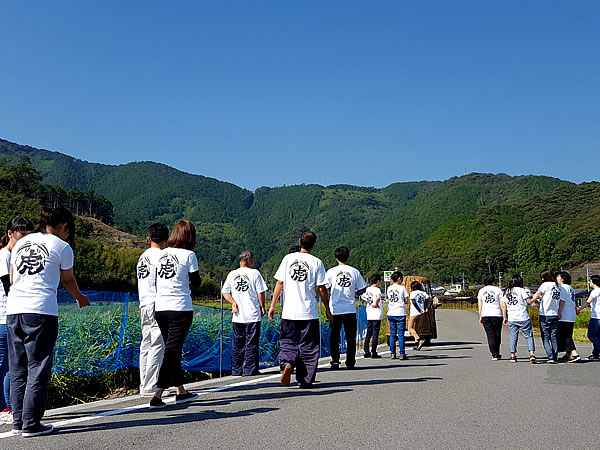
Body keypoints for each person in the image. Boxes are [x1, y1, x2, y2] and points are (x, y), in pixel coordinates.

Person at [7, 207, 90, 437]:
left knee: (18, 368)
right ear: (64, 227)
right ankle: (32, 424)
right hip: (41, 311)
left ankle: (18, 421)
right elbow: (67, 280)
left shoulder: (23, 242)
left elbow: (13, 278)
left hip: (14, 310)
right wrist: (80, 297)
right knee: (38, 367)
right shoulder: (62, 247)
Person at [268, 231, 331, 389]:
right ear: (313, 245)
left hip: (289, 311)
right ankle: (305, 380)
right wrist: (328, 310)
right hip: (308, 312)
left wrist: (272, 305)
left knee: (288, 341)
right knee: (308, 346)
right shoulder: (316, 262)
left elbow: (280, 283)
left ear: (299, 241)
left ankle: (288, 362)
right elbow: (322, 288)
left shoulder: (288, 259)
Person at [150, 220, 201, 409]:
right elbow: (196, 283)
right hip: (180, 308)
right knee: (172, 351)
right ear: (190, 237)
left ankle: (181, 391)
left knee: (173, 349)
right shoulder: (189, 255)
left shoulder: (162, 255)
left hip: (161, 308)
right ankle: (158, 394)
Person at [0, 217, 34, 426]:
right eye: (22, 233)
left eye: (29, 233)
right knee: (7, 366)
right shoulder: (4, 255)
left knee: (13, 365)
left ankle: (12, 407)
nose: (25, 237)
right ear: (11, 233)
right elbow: (8, 285)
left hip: (12, 315)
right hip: (4, 316)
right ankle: (7, 408)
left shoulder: (17, 255)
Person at [222, 250, 267, 376]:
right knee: (251, 343)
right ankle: (250, 369)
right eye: (252, 260)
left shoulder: (232, 274)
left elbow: (225, 292)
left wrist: (233, 302)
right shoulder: (254, 273)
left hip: (237, 316)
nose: (253, 262)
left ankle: (236, 369)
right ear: (248, 260)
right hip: (252, 314)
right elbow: (261, 292)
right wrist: (262, 306)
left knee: (237, 344)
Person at [137, 223, 168, 397]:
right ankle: (151, 385)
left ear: (148, 238)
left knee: (146, 344)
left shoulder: (142, 257)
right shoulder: (163, 257)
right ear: (166, 240)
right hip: (158, 303)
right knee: (157, 344)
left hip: (144, 302)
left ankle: (145, 383)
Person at [325, 247, 367, 369]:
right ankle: (350, 361)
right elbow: (362, 288)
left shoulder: (331, 272)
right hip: (350, 309)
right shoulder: (354, 271)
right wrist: (355, 294)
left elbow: (325, 288)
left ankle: (335, 360)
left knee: (334, 336)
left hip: (335, 309)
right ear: (347, 257)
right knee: (350, 337)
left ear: (336, 258)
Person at [500, 274, 537, 364]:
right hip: (523, 316)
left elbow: (503, 305)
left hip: (512, 317)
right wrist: (535, 296)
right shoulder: (521, 290)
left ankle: (513, 355)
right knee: (528, 336)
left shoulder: (506, 291)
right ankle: (531, 354)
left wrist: (505, 317)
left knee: (513, 337)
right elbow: (529, 302)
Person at [531, 269, 560, 363]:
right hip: (554, 314)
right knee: (554, 336)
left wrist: (531, 301)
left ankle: (550, 356)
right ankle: (555, 355)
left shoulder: (545, 285)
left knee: (546, 336)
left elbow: (538, 293)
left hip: (545, 314)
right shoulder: (557, 286)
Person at [477, 273, 503, 360]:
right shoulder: (498, 290)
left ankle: (494, 354)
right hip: (497, 314)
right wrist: (504, 315)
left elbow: (480, 305)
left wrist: (480, 316)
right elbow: (501, 303)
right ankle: (497, 352)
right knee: (497, 334)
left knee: (490, 335)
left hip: (485, 314)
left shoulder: (481, 291)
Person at [556, 271, 580, 362]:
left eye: (558, 277)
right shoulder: (571, 288)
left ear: (562, 279)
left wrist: (559, 312)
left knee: (565, 335)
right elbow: (572, 301)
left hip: (565, 314)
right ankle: (568, 354)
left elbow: (562, 301)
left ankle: (574, 354)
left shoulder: (562, 288)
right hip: (571, 314)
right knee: (568, 334)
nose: (556, 278)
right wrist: (576, 310)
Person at [576, 275, 600, 361]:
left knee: (591, 335)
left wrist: (578, 310)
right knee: (598, 336)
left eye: (590, 281)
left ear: (593, 282)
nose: (589, 283)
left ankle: (598, 351)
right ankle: (595, 355)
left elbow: (587, 303)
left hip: (596, 317)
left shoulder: (595, 291)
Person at [387, 271, 409, 359]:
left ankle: (392, 353)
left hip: (391, 312)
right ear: (399, 278)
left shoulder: (389, 288)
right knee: (400, 334)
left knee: (392, 334)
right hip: (400, 312)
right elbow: (407, 301)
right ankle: (402, 353)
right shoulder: (402, 288)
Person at [361, 274, 383, 358]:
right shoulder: (377, 289)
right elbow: (378, 297)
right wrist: (376, 303)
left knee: (368, 333)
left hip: (369, 313)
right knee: (375, 333)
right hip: (376, 313)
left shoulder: (368, 289)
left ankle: (366, 351)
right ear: (377, 281)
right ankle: (373, 351)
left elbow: (362, 296)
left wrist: (368, 301)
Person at [409, 281, 430, 351]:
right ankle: (416, 344)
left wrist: (418, 309)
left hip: (414, 313)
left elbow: (414, 302)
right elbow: (430, 300)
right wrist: (427, 308)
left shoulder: (413, 293)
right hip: (422, 313)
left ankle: (419, 339)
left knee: (410, 328)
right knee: (417, 328)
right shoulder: (423, 293)